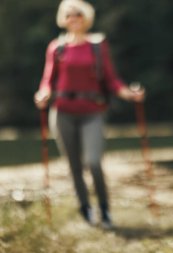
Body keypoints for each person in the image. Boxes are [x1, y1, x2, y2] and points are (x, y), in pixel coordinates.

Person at [34, 0, 144, 229]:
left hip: (91, 112)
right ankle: (86, 210)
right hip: (62, 112)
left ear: (86, 18)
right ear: (64, 19)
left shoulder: (97, 45)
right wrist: (43, 94)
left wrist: (129, 94)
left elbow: (111, 79)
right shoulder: (56, 47)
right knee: (74, 166)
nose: (73, 19)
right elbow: (48, 80)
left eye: (78, 15)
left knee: (93, 162)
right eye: (68, 15)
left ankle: (104, 211)